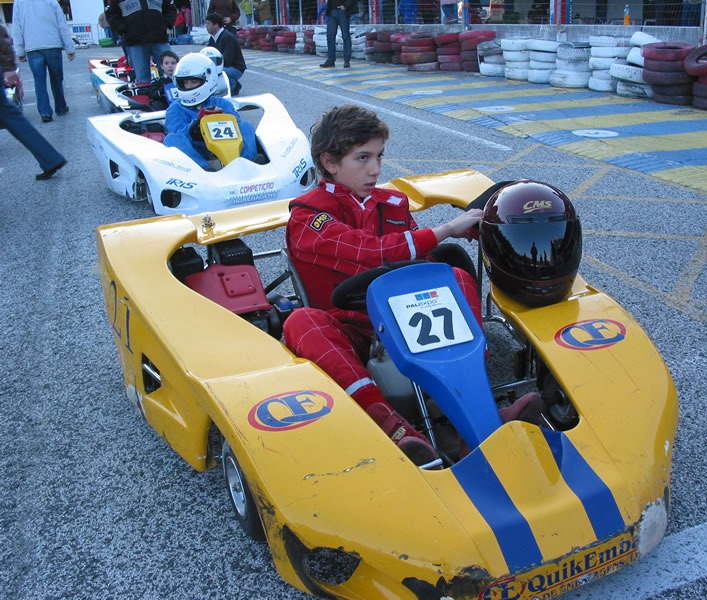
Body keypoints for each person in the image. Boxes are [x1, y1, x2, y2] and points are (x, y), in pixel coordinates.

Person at [281, 105, 538, 465]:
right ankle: (395, 430)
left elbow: (418, 257)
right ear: (329, 162)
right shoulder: (309, 216)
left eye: (379, 156)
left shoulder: (393, 203)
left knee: (456, 277)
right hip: (350, 328)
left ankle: (479, 415)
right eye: (363, 158)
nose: (375, 169)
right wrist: (444, 229)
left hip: (404, 317)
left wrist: (475, 231)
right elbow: (368, 253)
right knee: (300, 321)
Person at [163, 53, 260, 170]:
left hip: (229, 148)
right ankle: (204, 169)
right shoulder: (175, 109)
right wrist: (197, 124)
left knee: (246, 127)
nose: (188, 86)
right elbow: (178, 134)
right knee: (171, 139)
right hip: (197, 151)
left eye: (193, 81)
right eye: (185, 82)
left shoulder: (222, 103)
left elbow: (236, 126)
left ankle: (248, 163)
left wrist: (220, 118)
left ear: (208, 80)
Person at [0, 24, 67, 180]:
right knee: (11, 117)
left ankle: (51, 159)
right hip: (47, 44)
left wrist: (9, 66)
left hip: (36, 46)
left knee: (11, 116)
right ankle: (50, 159)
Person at [11, 0, 75, 123]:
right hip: (52, 44)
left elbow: (17, 27)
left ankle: (45, 112)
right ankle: (61, 107)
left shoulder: (19, 2)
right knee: (56, 79)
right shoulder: (51, 1)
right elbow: (62, 24)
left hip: (32, 46)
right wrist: (69, 48)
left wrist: (20, 51)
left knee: (39, 81)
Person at [106, 0, 175, 84]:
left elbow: (170, 8)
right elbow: (111, 14)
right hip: (135, 41)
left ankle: (174, 90)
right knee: (142, 78)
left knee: (171, 74)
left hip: (160, 38)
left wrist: (166, 23)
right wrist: (122, 28)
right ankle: (145, 92)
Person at [206, 12, 246, 96]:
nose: (206, 26)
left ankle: (234, 85)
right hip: (223, 66)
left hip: (235, 68)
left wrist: (213, 68)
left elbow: (227, 60)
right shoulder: (213, 38)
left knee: (213, 72)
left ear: (216, 25)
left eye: (208, 23)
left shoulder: (227, 37)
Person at [319, 0, 357, 69]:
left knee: (345, 36)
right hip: (331, 11)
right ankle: (331, 60)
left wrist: (345, 5)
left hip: (342, 11)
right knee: (330, 36)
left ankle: (346, 60)